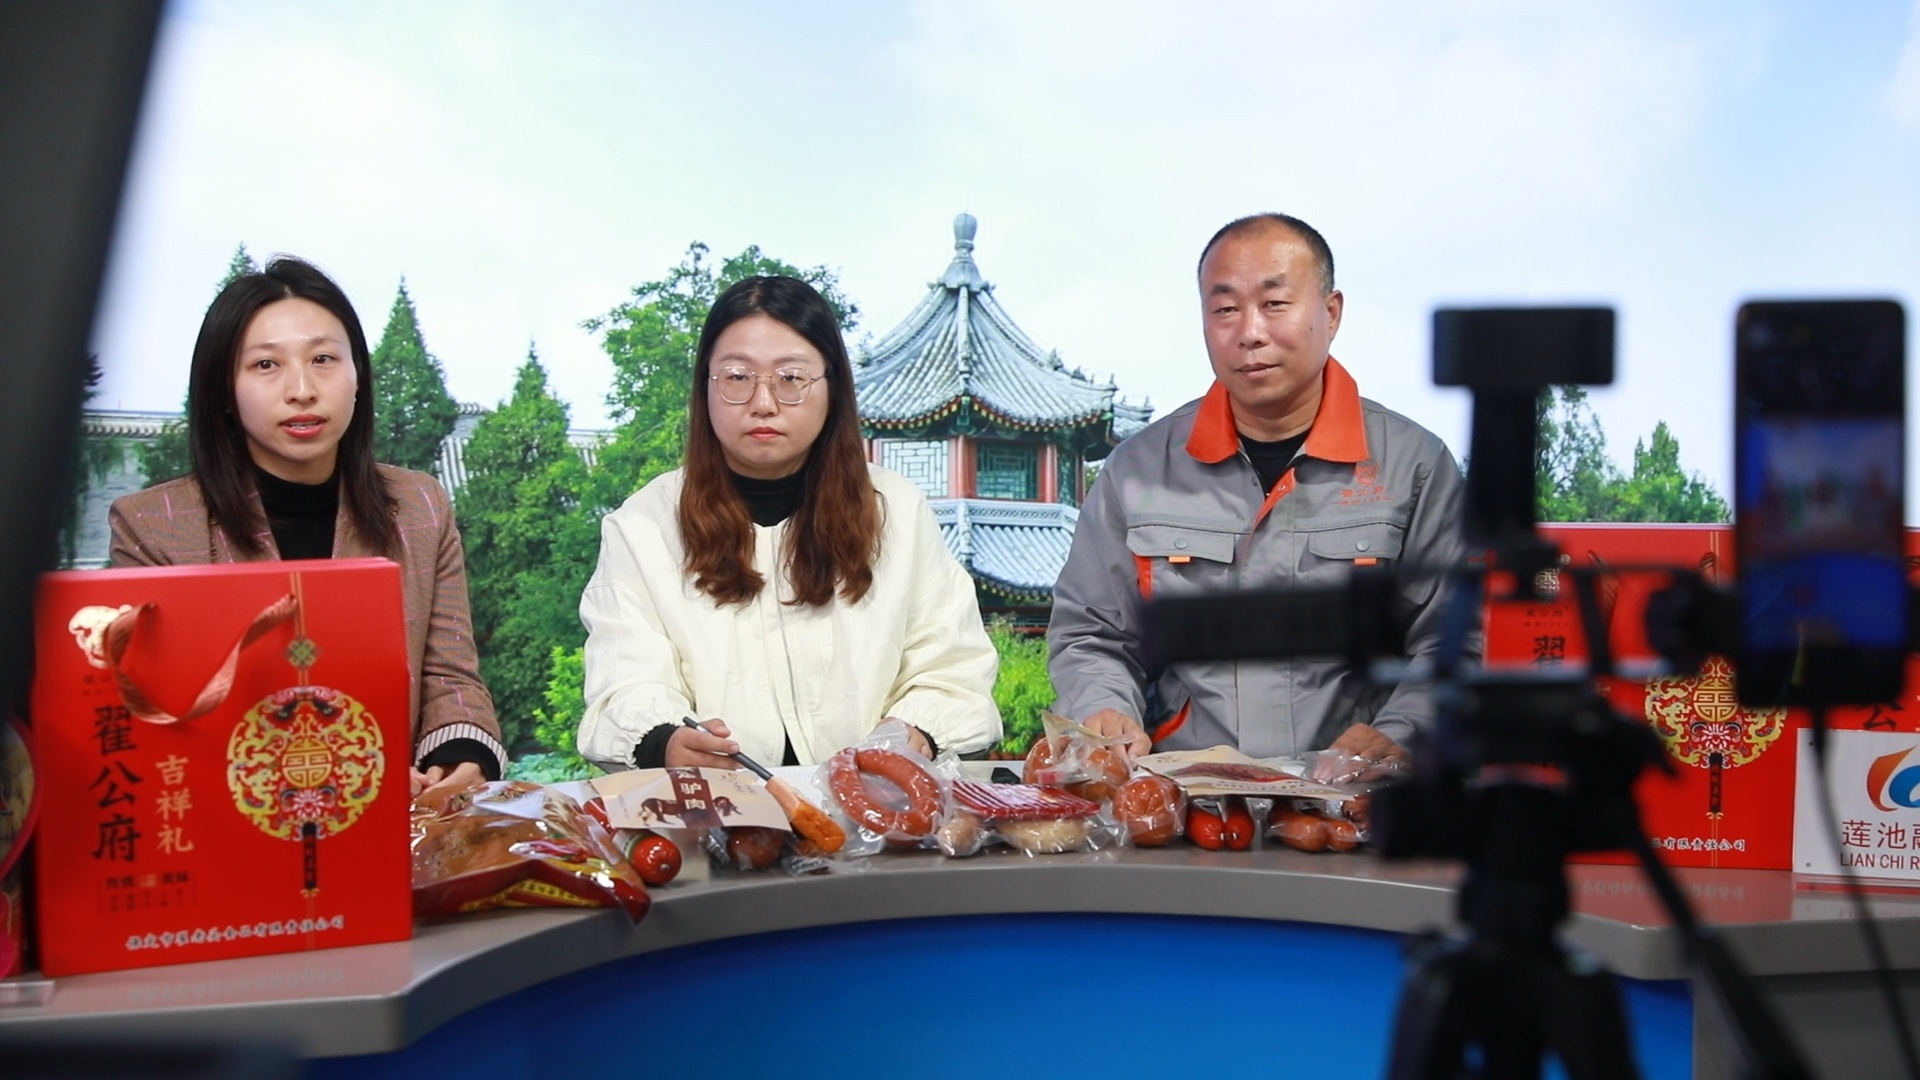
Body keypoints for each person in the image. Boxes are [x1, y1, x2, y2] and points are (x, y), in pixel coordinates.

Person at [1048, 213, 1469, 764]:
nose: (1249, 332)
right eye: (1225, 309)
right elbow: (1093, 634)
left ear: (1331, 313)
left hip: (1354, 796)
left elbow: (1457, 638)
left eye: (1274, 304)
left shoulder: (1414, 466)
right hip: (1185, 796)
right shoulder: (1138, 471)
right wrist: (1103, 707)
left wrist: (1400, 731)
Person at [109, 256, 507, 801]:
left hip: (404, 820)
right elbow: (158, 718)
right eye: (266, 365)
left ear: (357, 375)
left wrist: (459, 759)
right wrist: (340, 774)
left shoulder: (419, 506)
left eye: (323, 359)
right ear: (224, 389)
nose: (302, 389)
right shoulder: (153, 528)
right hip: (234, 817)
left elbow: (450, 677)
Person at [576, 275, 1001, 772]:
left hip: (875, 804)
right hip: (714, 805)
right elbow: (625, 679)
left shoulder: (897, 512)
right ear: (705, 386)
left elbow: (953, 668)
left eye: (791, 378)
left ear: (832, 387)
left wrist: (917, 731)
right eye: (737, 377)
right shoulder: (642, 526)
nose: (764, 402)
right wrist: (665, 740)